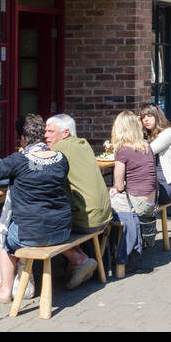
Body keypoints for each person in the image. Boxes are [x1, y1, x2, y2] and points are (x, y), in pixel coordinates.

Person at [0, 119, 72, 305]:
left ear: (22, 138)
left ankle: (5, 290)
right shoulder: (61, 159)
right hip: (62, 231)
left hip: (32, 234)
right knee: (15, 227)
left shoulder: (19, 160)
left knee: (3, 238)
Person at [45, 113, 113, 289]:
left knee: (38, 225)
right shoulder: (83, 144)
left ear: (65, 132)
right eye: (45, 131)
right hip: (104, 216)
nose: (46, 135)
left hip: (88, 219)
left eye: (51, 131)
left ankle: (80, 260)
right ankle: (81, 261)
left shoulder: (60, 149)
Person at [109, 111, 159, 273]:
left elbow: (119, 184)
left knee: (101, 206)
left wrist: (116, 190)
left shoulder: (122, 150)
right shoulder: (146, 146)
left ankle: (107, 254)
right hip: (151, 202)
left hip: (136, 203)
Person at [139, 104, 171, 207]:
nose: (146, 120)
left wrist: (137, 130)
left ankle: (138, 220)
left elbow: (145, 153)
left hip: (165, 186)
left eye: (150, 116)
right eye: (143, 117)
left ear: (157, 117)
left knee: (129, 192)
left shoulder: (167, 134)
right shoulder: (149, 135)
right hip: (153, 184)